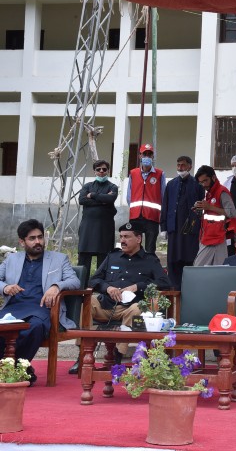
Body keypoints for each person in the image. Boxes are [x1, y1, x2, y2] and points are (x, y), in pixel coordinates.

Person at [0, 219, 80, 385]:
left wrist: (57, 286)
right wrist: (5, 287)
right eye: (32, 238)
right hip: (14, 308)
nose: (38, 242)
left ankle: (16, 370)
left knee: (35, 327)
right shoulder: (11, 260)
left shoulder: (59, 259)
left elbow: (74, 281)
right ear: (22, 242)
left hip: (43, 309)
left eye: (40, 237)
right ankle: (21, 369)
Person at [87, 222, 171, 364]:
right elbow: (93, 280)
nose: (122, 240)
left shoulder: (149, 260)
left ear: (139, 239)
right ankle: (84, 352)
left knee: (137, 309)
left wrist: (138, 286)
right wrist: (108, 288)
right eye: (121, 237)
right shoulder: (113, 257)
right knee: (87, 303)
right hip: (108, 305)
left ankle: (118, 354)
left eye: (127, 237)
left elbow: (165, 283)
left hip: (132, 308)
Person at [160, 155, 204, 288]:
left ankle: (190, 287)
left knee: (189, 257)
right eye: (178, 165)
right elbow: (165, 206)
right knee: (173, 260)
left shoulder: (197, 184)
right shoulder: (171, 184)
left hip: (191, 230)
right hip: (173, 228)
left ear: (190, 166)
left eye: (183, 165)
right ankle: (174, 289)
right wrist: (163, 228)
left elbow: (202, 207)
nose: (180, 168)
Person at [78, 159, 118, 276]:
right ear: (94, 171)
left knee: (104, 259)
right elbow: (82, 200)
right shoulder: (87, 186)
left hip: (104, 228)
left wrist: (93, 195)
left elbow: (110, 199)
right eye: (98, 169)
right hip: (87, 228)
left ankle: (100, 286)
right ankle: (82, 288)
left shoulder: (112, 187)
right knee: (84, 259)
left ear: (108, 171)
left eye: (104, 169)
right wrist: (103, 200)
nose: (101, 171)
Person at [193, 165, 236, 266]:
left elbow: (232, 213)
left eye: (205, 181)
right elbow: (212, 215)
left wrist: (209, 207)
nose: (203, 184)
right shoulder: (209, 193)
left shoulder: (222, 192)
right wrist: (201, 210)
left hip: (218, 238)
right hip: (209, 236)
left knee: (198, 269)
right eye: (201, 182)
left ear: (213, 177)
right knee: (218, 271)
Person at [127, 143, 166, 254]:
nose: (147, 157)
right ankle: (135, 269)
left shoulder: (159, 174)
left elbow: (163, 196)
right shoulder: (133, 173)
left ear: (153, 157)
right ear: (140, 156)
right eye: (145, 154)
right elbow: (129, 196)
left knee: (150, 249)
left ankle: (148, 270)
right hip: (135, 216)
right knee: (134, 247)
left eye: (149, 154)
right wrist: (134, 209)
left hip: (152, 217)